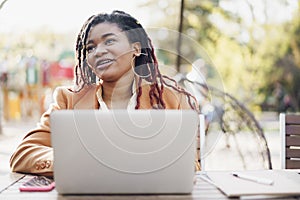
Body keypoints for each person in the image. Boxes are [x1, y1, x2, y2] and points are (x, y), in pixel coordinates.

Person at [10, 10, 200, 177]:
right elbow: (22, 155)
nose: (98, 52)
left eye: (109, 40)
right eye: (90, 48)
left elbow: (191, 165)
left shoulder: (173, 99)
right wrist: (77, 161)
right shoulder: (68, 99)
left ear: (136, 48)